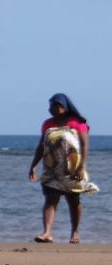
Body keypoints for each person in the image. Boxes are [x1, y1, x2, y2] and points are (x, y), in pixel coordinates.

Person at [28, 93, 99, 243]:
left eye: (58, 105)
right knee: (50, 200)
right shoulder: (48, 124)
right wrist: (33, 165)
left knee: (73, 200)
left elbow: (84, 146)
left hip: (72, 168)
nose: (55, 108)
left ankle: (75, 233)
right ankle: (47, 232)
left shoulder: (77, 123)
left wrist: (81, 167)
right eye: (52, 106)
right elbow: (41, 146)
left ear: (66, 106)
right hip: (51, 169)